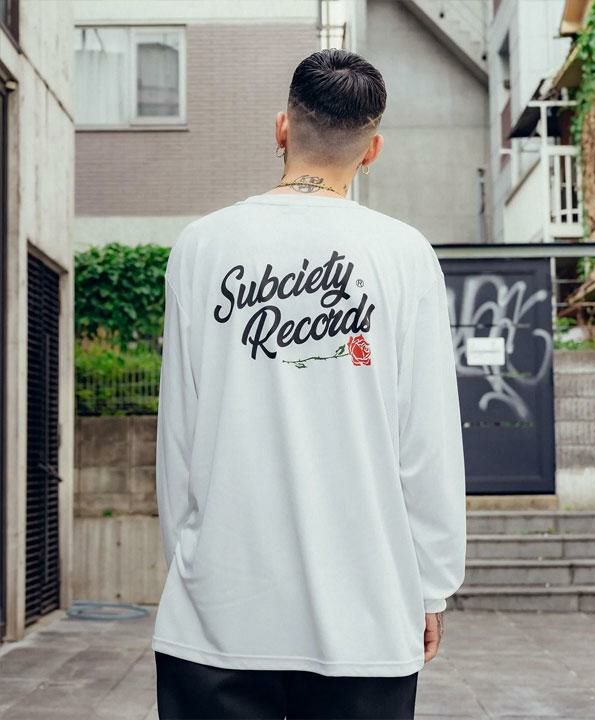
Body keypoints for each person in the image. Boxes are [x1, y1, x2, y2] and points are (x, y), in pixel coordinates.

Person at [152, 48, 466, 720]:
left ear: (281, 128)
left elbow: (178, 431)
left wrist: (186, 564)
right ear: (372, 150)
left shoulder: (201, 246)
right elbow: (428, 439)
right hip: (366, 616)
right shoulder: (405, 254)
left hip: (218, 615)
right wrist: (431, 585)